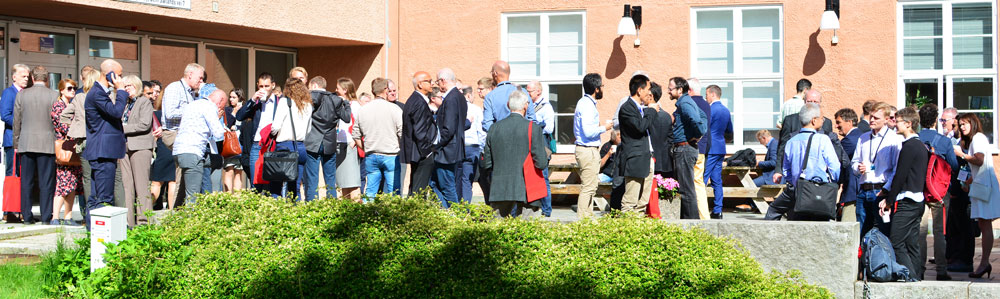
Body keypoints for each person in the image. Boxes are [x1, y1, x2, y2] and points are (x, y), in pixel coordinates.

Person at [877, 107, 927, 281]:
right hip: (917, 201)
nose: (894, 123)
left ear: (908, 124)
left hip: (907, 200)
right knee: (911, 244)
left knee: (896, 241)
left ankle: (910, 278)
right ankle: (917, 278)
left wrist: (888, 201)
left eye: (897, 121)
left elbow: (900, 176)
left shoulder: (910, 146)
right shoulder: (919, 145)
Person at [767, 103, 841, 221]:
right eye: (822, 118)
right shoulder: (823, 139)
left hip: (798, 191)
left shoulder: (791, 141)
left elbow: (786, 170)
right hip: (819, 191)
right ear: (813, 120)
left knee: (774, 210)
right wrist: (831, 181)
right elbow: (835, 166)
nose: (823, 120)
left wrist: (796, 183)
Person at [481, 89, 547, 217]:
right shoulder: (533, 128)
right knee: (528, 230)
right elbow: (541, 163)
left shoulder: (494, 128)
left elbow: (487, 163)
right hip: (527, 186)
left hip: (500, 185)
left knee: (496, 230)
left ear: (508, 105)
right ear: (526, 106)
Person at [82, 59, 129, 229]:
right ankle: (101, 236)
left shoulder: (101, 93)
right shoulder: (97, 93)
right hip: (102, 151)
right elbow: (116, 112)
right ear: (108, 74)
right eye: (119, 75)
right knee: (103, 198)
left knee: (96, 197)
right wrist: (121, 91)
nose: (121, 79)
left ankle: (92, 232)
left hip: (104, 151)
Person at [954, 113, 1000, 279]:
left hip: (984, 188)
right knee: (983, 224)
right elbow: (980, 167)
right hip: (982, 186)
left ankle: (984, 263)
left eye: (965, 124)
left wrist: (962, 155)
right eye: (960, 124)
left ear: (973, 123)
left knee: (985, 225)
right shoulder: (976, 139)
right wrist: (969, 182)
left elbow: (979, 160)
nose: (962, 127)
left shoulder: (978, 138)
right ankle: (984, 263)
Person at [917, 103, 958, 280]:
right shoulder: (944, 141)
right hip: (940, 192)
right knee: (940, 232)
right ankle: (941, 270)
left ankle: (920, 269)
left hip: (919, 190)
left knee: (920, 231)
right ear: (935, 121)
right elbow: (954, 165)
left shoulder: (915, 138)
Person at [13, 66, 58, 225]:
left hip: (26, 143)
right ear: (46, 79)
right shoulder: (54, 95)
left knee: (26, 181)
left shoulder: (22, 94)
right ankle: (46, 217)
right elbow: (57, 121)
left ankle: (27, 215)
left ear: (33, 78)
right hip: (47, 144)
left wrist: (16, 143)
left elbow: (16, 120)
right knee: (46, 182)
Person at [851, 102, 902, 238]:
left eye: (876, 118)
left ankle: (883, 258)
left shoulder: (894, 139)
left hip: (881, 190)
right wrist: (858, 167)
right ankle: (861, 258)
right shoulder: (863, 138)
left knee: (883, 231)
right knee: (861, 231)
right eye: (871, 117)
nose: (872, 120)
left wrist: (886, 189)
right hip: (863, 189)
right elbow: (854, 162)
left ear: (886, 120)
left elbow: (895, 169)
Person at [173, 90, 227, 202]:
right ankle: (191, 218)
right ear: (220, 101)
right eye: (223, 106)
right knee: (192, 196)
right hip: (193, 152)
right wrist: (218, 119)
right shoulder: (210, 107)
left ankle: (178, 215)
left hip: (179, 151)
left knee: (218, 160)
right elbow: (218, 132)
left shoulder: (193, 104)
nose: (223, 109)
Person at [160, 63, 205, 200]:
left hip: (184, 135)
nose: (201, 81)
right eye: (200, 77)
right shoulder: (175, 88)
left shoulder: (191, 93)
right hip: (174, 133)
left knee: (186, 174)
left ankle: (181, 210)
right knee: (183, 172)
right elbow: (170, 113)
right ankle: (177, 213)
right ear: (190, 75)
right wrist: (192, 110)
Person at [353, 78, 403, 198]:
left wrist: (366, 148)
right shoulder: (394, 109)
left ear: (372, 90)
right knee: (394, 193)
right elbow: (402, 132)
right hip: (391, 154)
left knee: (370, 192)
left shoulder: (363, 109)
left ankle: (367, 215)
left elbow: (355, 134)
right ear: (386, 90)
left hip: (371, 154)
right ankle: (393, 216)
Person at [61, 68, 100, 216]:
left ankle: (90, 212)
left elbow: (63, 116)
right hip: (99, 140)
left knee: (87, 178)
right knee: (101, 175)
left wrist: (76, 126)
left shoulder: (79, 98)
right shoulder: (103, 97)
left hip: (83, 141)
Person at [303, 76, 349, 201]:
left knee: (312, 177)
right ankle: (331, 205)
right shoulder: (335, 99)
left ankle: (312, 206)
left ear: (314, 85)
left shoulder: (309, 98)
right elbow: (347, 118)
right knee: (330, 178)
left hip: (312, 141)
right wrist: (346, 103)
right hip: (329, 142)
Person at [574, 73, 612, 218]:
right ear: (596, 89)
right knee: (588, 187)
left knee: (590, 186)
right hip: (587, 149)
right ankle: (583, 219)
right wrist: (605, 127)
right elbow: (589, 132)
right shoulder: (587, 105)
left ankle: (587, 216)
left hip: (587, 149)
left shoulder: (584, 103)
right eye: (602, 86)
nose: (603, 89)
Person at [268, 78, 313, 200]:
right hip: (300, 147)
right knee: (295, 186)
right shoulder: (308, 105)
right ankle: (295, 213)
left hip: (284, 146)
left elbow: (275, 127)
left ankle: (275, 212)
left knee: (276, 183)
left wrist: (272, 133)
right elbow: (308, 130)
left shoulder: (284, 102)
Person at [118, 75, 154, 227]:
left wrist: (122, 129)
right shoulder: (123, 104)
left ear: (137, 86)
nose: (127, 89)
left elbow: (144, 124)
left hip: (140, 147)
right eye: (125, 86)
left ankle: (144, 222)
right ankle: (128, 223)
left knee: (141, 186)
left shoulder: (144, 102)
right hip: (123, 148)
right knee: (127, 187)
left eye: (130, 86)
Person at [617, 74, 656, 214]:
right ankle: (628, 229)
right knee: (631, 200)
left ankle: (638, 226)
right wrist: (651, 110)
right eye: (648, 89)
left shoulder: (640, 108)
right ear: (640, 90)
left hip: (646, 156)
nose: (650, 93)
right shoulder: (627, 108)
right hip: (635, 158)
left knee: (643, 200)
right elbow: (640, 127)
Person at [669, 77, 707, 219]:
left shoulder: (685, 102)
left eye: (670, 88)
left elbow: (698, 120)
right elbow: (703, 116)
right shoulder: (685, 102)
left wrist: (697, 135)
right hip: (685, 148)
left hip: (685, 149)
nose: (668, 91)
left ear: (680, 90)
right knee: (687, 188)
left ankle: (691, 225)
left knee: (686, 190)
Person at [235, 73, 276, 192]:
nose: (264, 89)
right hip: (256, 145)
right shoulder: (255, 103)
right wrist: (252, 99)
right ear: (257, 85)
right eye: (261, 86)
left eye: (267, 86)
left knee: (271, 183)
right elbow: (240, 116)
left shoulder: (279, 102)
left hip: (272, 145)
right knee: (255, 183)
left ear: (273, 85)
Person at [431, 68, 467, 208]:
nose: (438, 85)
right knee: (441, 184)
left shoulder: (451, 98)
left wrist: (436, 145)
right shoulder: (459, 96)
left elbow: (448, 128)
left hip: (447, 150)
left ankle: (453, 215)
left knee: (447, 186)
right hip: (453, 148)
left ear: (443, 80)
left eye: (438, 81)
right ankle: (449, 213)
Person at [50, 79, 82, 225]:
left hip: (74, 147)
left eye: (74, 88)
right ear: (61, 90)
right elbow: (63, 126)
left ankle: (68, 217)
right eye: (69, 88)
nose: (73, 91)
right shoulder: (58, 106)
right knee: (63, 184)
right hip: (65, 147)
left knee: (72, 183)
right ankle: (55, 217)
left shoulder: (73, 105)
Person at [401, 71, 438, 196]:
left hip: (418, 152)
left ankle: (413, 212)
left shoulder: (416, 100)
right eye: (429, 81)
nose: (432, 83)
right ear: (420, 84)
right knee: (419, 190)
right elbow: (420, 130)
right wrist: (427, 152)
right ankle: (415, 214)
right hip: (421, 153)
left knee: (416, 188)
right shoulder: (418, 102)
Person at [526, 80, 554, 216]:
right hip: (530, 143)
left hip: (542, 144)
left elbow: (549, 128)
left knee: (543, 177)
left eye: (530, 91)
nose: (527, 93)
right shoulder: (527, 105)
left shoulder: (546, 107)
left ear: (538, 91)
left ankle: (547, 209)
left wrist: (536, 125)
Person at [704, 84, 732, 219]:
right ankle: (718, 210)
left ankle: (700, 208)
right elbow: (729, 131)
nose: (706, 97)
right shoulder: (726, 110)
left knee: (702, 178)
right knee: (717, 180)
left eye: (707, 94)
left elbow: (705, 129)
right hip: (721, 147)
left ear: (713, 94)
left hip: (711, 148)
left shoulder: (710, 110)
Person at [149, 84, 178, 210]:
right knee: (173, 182)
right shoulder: (178, 115)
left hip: (162, 149)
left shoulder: (156, 114)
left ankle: (144, 210)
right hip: (175, 147)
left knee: (156, 182)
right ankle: (172, 215)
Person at [334, 78, 363, 200]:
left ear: (345, 90)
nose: (335, 90)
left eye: (338, 88)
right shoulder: (340, 104)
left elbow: (359, 124)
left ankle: (356, 208)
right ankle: (345, 207)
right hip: (340, 143)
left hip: (350, 144)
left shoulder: (355, 105)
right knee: (343, 181)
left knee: (352, 180)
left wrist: (354, 141)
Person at [834, 108, 864, 222]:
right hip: (857, 190)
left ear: (850, 122)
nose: (836, 126)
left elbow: (837, 162)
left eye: (838, 122)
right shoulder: (861, 136)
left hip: (853, 191)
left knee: (848, 226)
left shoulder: (849, 141)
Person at [687, 78, 711, 219]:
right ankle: (703, 215)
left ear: (689, 90)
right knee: (699, 182)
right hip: (703, 148)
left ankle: (701, 216)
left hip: (693, 146)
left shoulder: (691, 103)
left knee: (695, 182)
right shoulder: (706, 104)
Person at [1, 64, 30, 177]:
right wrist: (23, 124)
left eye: (27, 77)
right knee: (13, 173)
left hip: (26, 141)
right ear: (14, 77)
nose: (26, 79)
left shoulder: (26, 93)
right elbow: (5, 115)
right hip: (12, 141)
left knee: (24, 174)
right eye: (23, 76)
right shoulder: (9, 92)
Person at [458, 85, 485, 204]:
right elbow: (482, 131)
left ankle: (456, 208)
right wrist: (482, 148)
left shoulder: (456, 107)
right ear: (468, 95)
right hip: (472, 147)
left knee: (456, 179)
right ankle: (465, 209)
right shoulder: (476, 109)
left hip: (458, 146)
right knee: (467, 181)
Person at [648, 82, 673, 178]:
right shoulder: (666, 116)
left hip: (650, 159)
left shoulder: (646, 114)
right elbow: (670, 138)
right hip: (665, 160)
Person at [223, 88, 246, 192]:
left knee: (238, 171)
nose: (231, 99)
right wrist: (234, 112)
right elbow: (227, 124)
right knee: (229, 170)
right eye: (230, 97)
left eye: (234, 97)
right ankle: (227, 196)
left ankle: (237, 198)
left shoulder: (245, 109)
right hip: (230, 143)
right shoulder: (227, 110)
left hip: (240, 143)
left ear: (240, 98)